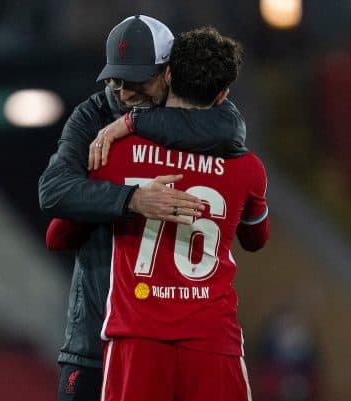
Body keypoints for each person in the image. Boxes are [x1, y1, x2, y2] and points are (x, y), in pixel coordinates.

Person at [38, 15, 249, 401]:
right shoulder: (92, 117)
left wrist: (133, 124)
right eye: (115, 80)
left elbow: (233, 129)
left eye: (136, 81)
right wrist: (133, 200)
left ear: (168, 73)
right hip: (94, 336)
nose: (122, 92)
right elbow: (53, 191)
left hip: (167, 338)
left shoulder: (204, 120)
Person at [86, 26, 269, 401]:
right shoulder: (248, 168)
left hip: (136, 338)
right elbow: (256, 240)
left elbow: (60, 232)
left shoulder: (115, 150)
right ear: (223, 94)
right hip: (212, 341)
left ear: (168, 75)